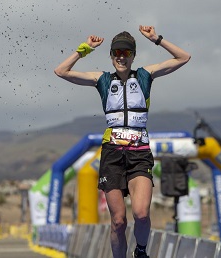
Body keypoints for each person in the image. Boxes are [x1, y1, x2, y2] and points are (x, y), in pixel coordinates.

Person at [54, 26, 191, 258]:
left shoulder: (145, 75)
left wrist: (156, 39)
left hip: (139, 152)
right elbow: (61, 71)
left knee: (141, 214)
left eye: (126, 53)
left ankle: (140, 251)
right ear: (111, 55)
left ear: (133, 56)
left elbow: (183, 57)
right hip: (112, 154)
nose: (121, 56)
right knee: (118, 221)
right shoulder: (103, 79)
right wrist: (84, 49)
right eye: (116, 52)